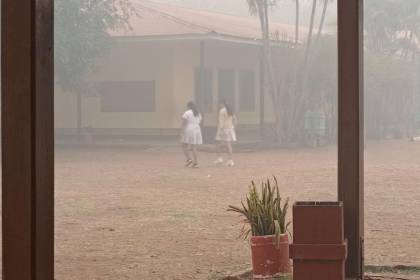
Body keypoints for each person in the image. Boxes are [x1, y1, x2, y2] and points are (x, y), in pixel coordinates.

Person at [214, 101, 237, 166]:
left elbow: (221, 121)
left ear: (222, 104)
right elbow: (235, 119)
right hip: (230, 129)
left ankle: (222, 158)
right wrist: (233, 127)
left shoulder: (222, 111)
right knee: (227, 145)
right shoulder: (231, 110)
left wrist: (220, 131)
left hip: (223, 129)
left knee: (220, 144)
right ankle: (229, 160)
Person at [181, 101, 203, 168]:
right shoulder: (198, 112)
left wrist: (182, 130)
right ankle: (195, 162)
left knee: (184, 145)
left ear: (188, 106)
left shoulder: (187, 113)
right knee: (194, 147)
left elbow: (184, 122)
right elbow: (200, 121)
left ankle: (189, 159)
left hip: (189, 128)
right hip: (197, 128)